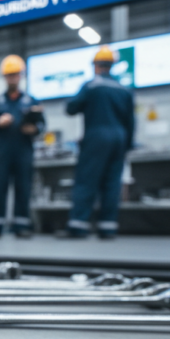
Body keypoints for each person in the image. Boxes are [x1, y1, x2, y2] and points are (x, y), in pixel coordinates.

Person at [65, 45, 136, 239]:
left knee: (87, 180)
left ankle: (78, 226)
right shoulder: (124, 89)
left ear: (96, 66)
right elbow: (131, 121)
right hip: (119, 138)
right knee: (112, 183)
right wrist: (128, 144)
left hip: (96, 136)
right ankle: (108, 227)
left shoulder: (91, 86)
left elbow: (71, 108)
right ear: (112, 65)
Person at [0, 54, 45, 238]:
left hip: (23, 150)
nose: (13, 78)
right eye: (9, 75)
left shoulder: (31, 101)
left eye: (16, 74)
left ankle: (21, 225)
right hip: (2, 150)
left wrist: (33, 128)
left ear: (21, 76)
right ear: (4, 77)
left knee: (23, 187)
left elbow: (42, 125)